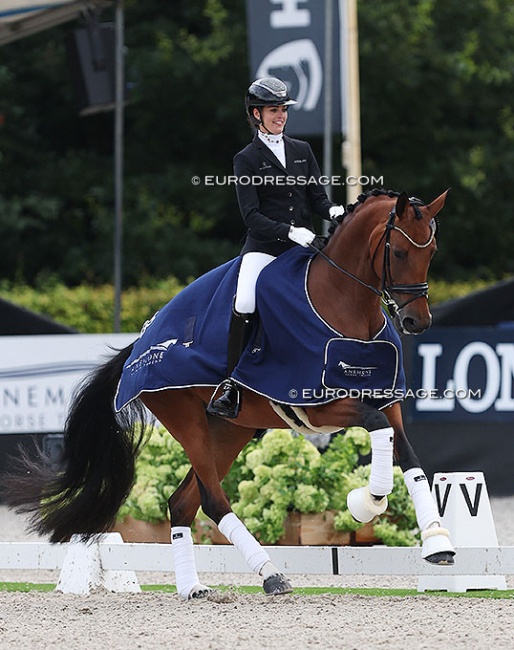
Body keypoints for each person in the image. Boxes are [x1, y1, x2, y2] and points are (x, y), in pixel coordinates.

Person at [207, 77, 345, 418]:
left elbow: (318, 199)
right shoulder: (246, 159)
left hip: (304, 247)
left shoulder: (302, 151)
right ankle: (232, 386)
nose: (280, 116)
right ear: (257, 114)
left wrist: (334, 212)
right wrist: (288, 231)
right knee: (246, 299)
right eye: (273, 110)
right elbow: (251, 216)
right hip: (265, 247)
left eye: (283, 109)